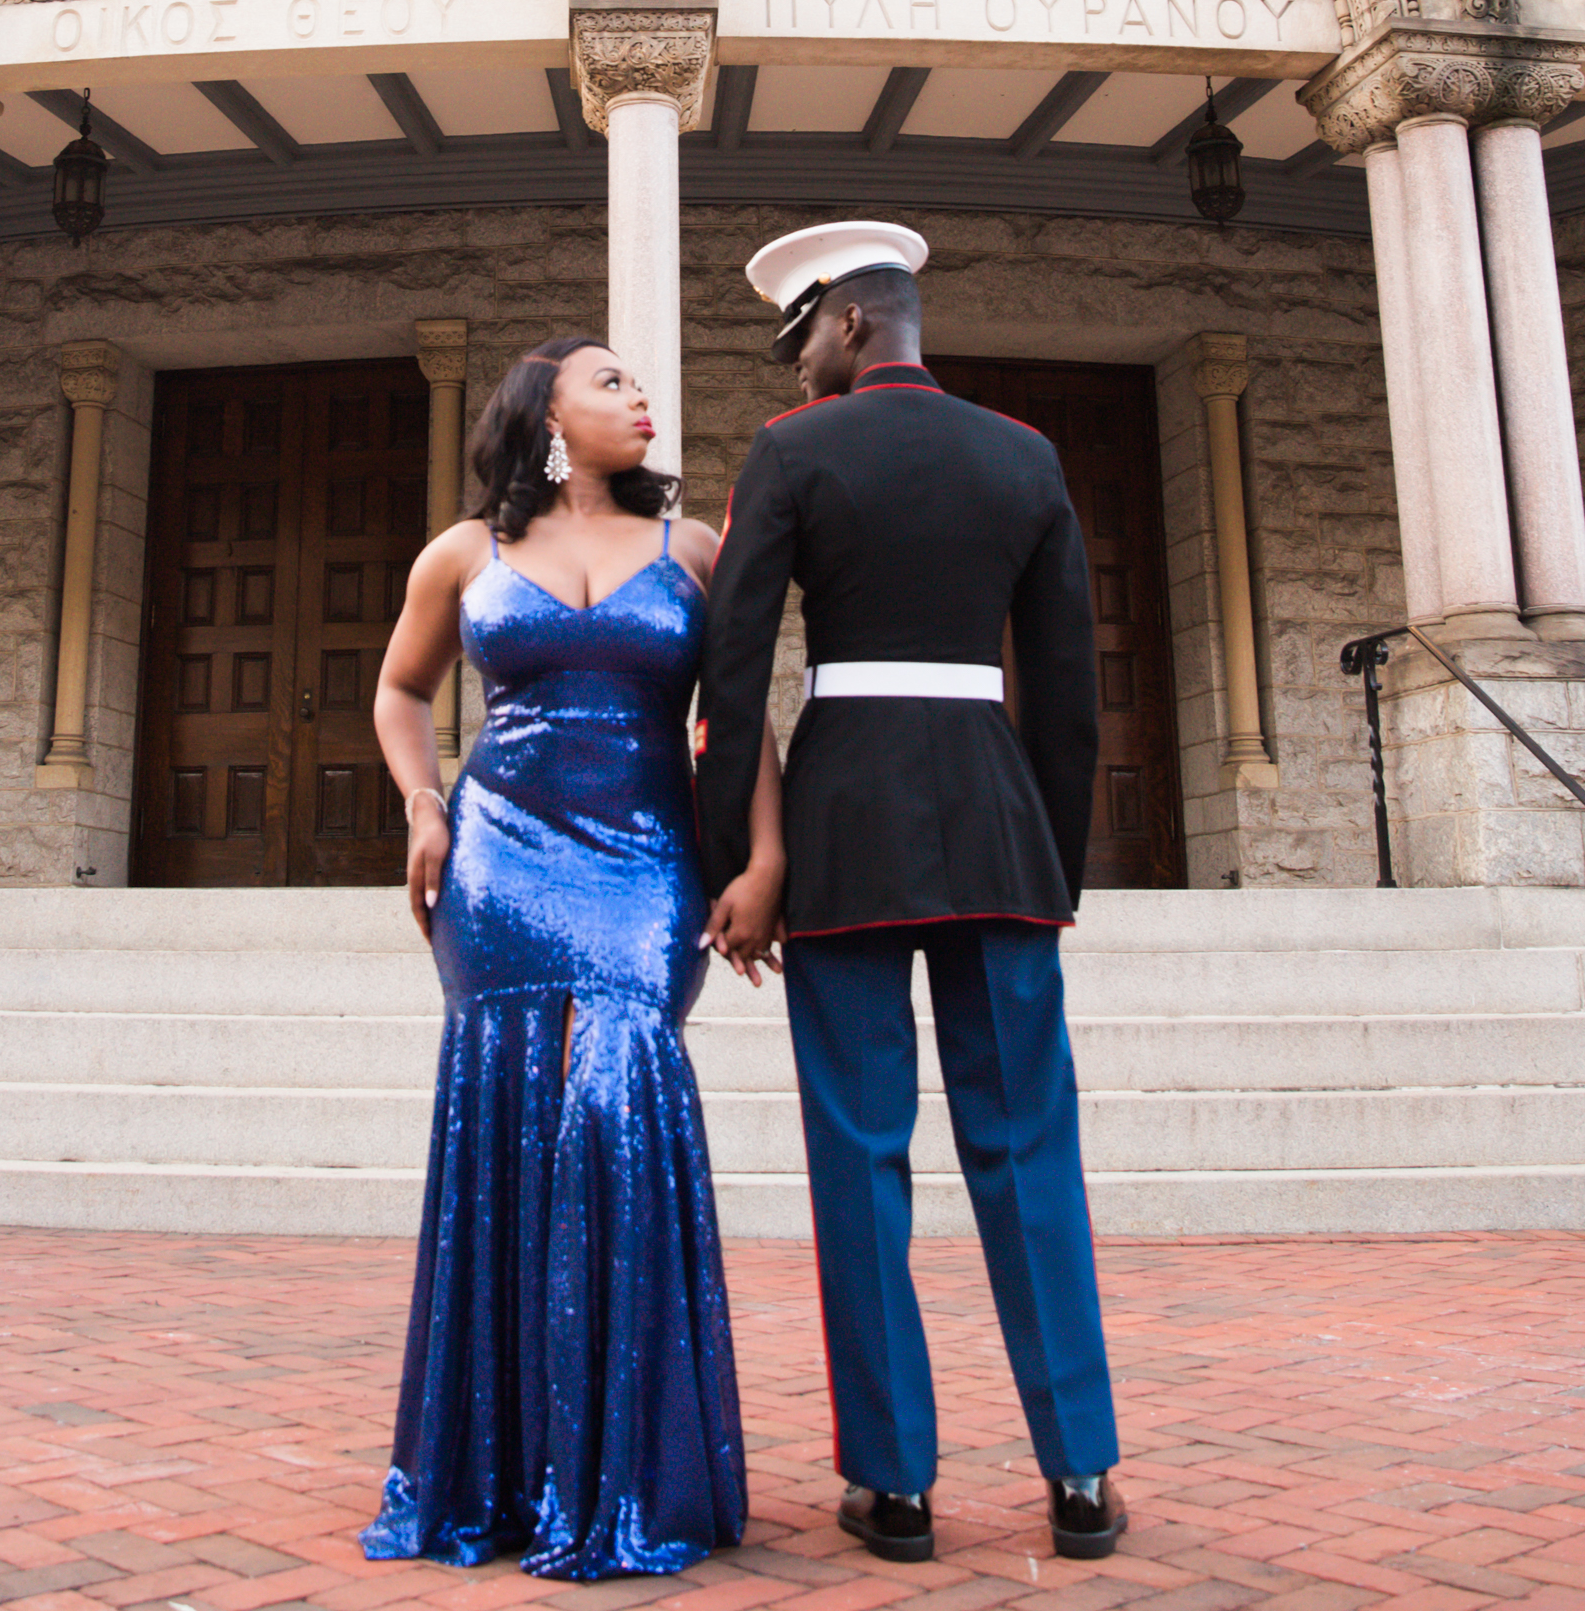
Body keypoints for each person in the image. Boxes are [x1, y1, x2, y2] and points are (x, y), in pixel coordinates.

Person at [695, 222, 1127, 1568]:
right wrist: (1051, 859)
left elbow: (733, 671)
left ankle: (896, 1487)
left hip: (846, 831)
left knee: (860, 1157)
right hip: (998, 827)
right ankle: (1079, 1473)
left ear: (849, 327)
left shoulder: (793, 451)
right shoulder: (1026, 455)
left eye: (804, 337)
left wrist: (734, 866)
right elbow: (1068, 691)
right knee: (1028, 1151)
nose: (801, 363)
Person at [365, 335, 785, 1580]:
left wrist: (763, 862)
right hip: (498, 870)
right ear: (543, 414)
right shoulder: (464, 554)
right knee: (510, 1131)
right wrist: (424, 804)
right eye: (611, 382)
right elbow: (399, 690)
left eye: (642, 385)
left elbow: (742, 717)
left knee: (614, 1113)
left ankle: (625, 1472)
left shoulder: (694, 556)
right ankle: (497, 1477)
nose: (641, 397)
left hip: (647, 867)